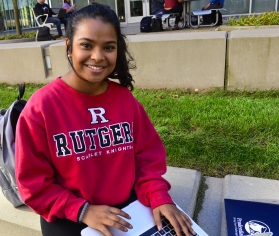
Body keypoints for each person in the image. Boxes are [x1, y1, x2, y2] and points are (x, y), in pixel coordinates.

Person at [15, 4, 196, 236]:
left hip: (126, 210)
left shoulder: (125, 100)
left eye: (108, 47)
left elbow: (147, 160)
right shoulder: (41, 108)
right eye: (86, 45)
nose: (98, 56)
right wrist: (82, 211)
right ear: (69, 47)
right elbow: (33, 186)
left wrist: (159, 197)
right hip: (71, 216)